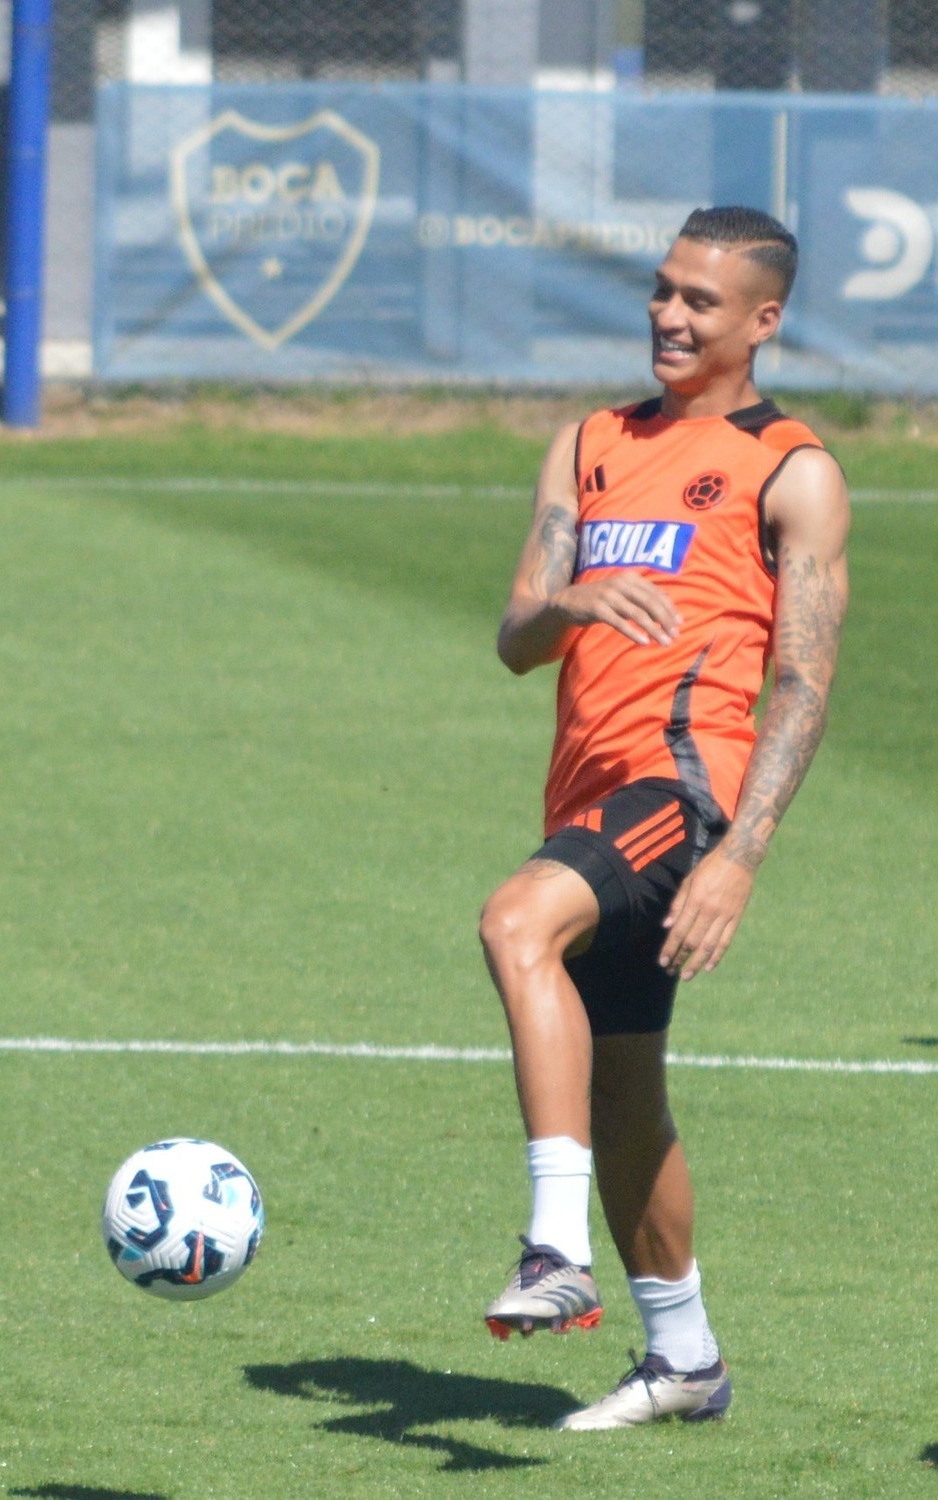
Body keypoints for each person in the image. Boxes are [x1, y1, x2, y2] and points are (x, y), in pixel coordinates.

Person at [477, 206, 849, 1429]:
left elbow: (799, 681)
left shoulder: (791, 469)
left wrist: (739, 853)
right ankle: (683, 1360)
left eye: (699, 301)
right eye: (660, 291)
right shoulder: (586, 442)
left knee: (516, 920)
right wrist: (571, 600)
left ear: (763, 320)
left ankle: (550, 1247)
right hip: (588, 789)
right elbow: (515, 638)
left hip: (684, 790)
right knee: (626, 1088)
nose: (668, 317)